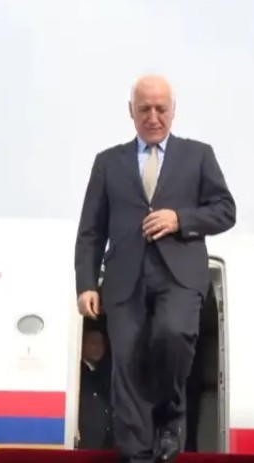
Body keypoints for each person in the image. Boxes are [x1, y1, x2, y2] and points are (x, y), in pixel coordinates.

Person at [74, 74, 236, 463]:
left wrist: (181, 218)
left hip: (179, 275)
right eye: (144, 108)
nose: (152, 116)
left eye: (160, 109)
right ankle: (138, 454)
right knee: (127, 364)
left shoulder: (198, 155)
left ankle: (170, 420)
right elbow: (91, 230)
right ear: (130, 111)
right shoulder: (107, 162)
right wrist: (86, 284)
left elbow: (225, 211)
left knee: (173, 334)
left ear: (173, 111)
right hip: (124, 278)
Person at [77, 327, 114, 450]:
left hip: (105, 442)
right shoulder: (76, 374)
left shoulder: (105, 373)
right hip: (86, 441)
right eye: (93, 343)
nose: (99, 347)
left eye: (101, 343)